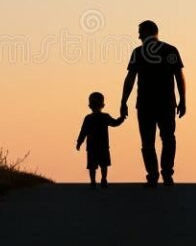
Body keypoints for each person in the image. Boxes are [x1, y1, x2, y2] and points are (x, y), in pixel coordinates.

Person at [120, 20, 186, 187]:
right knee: (168, 138)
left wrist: (123, 101)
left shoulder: (138, 52)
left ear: (149, 31)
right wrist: (182, 100)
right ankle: (166, 174)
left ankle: (153, 175)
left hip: (145, 104)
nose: (139, 36)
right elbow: (179, 77)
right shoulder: (170, 50)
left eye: (140, 32)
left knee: (148, 142)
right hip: (166, 103)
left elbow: (130, 79)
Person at [76, 92, 125, 187]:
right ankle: (103, 179)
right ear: (103, 105)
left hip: (92, 147)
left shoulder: (88, 118)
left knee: (93, 166)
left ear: (89, 105)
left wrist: (79, 142)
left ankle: (93, 181)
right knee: (103, 164)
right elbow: (114, 123)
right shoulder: (104, 117)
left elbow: (83, 132)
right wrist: (121, 118)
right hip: (102, 146)